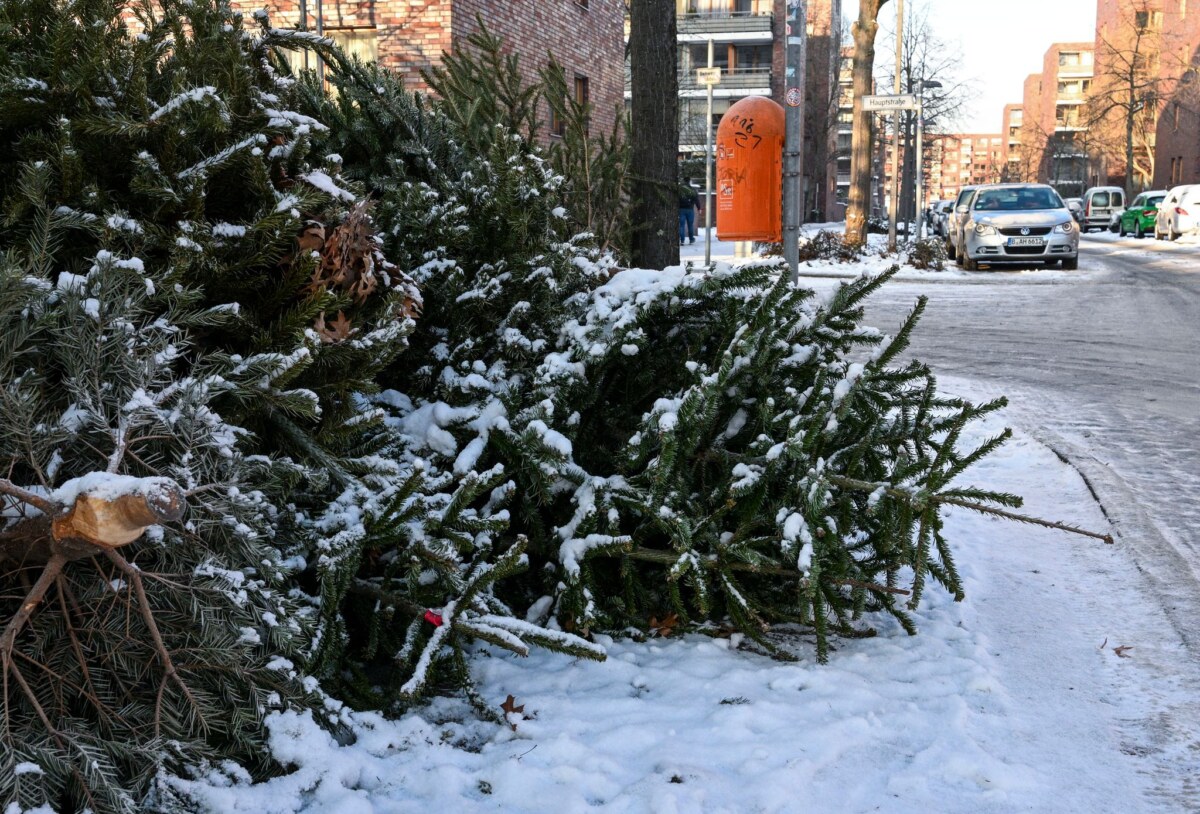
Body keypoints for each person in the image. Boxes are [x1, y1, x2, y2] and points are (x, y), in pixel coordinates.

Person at [678, 178, 699, 244]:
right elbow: (696, 199)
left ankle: (682, 240)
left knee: (681, 225)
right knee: (690, 225)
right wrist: (699, 208)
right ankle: (691, 239)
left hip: (681, 209)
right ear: (689, 181)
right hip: (690, 209)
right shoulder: (692, 189)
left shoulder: (680, 189)